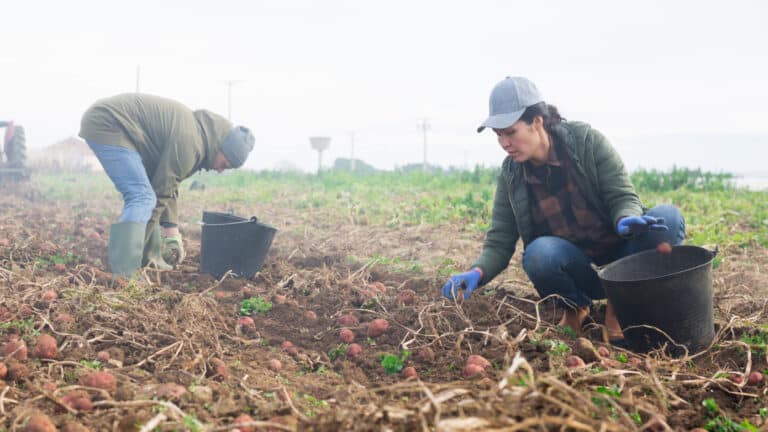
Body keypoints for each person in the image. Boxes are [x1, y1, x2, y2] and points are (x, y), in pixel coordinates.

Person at [440, 77, 685, 344]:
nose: (505, 143)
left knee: (668, 219)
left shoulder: (586, 142)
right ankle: (576, 307)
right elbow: (500, 240)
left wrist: (626, 218)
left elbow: (621, 194)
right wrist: (477, 272)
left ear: (537, 122)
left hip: (625, 257)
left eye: (511, 132)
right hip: (580, 269)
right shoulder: (511, 174)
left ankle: (620, 307)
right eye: (498, 135)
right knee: (539, 253)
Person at [79, 93, 255, 277]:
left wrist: (171, 231)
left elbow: (169, 182)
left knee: (149, 196)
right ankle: (124, 270)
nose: (220, 170)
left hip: (119, 128)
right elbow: (161, 193)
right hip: (108, 124)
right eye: (225, 164)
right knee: (143, 197)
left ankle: (146, 258)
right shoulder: (191, 143)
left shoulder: (198, 138)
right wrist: (137, 251)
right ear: (220, 148)